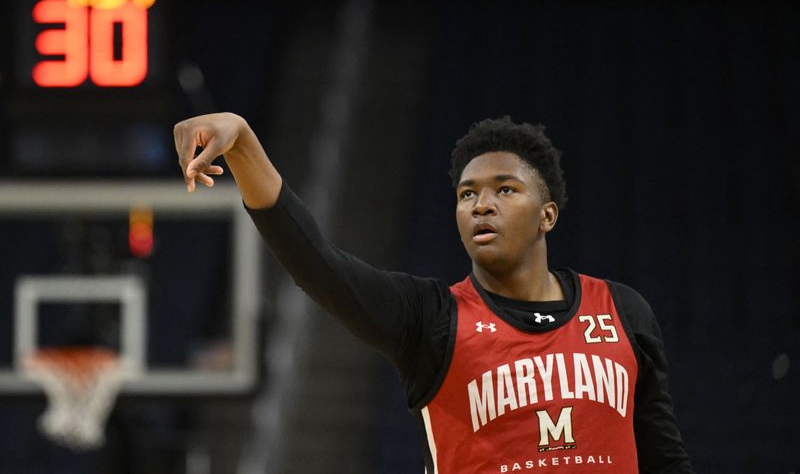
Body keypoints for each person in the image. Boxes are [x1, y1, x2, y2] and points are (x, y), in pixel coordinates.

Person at [174, 112, 694, 473]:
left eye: (505, 189)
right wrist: (244, 145)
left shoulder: (624, 312)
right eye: (468, 194)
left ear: (547, 215)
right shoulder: (431, 319)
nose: (481, 205)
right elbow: (320, 267)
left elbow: (664, 461)